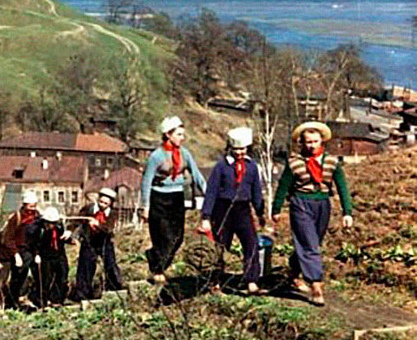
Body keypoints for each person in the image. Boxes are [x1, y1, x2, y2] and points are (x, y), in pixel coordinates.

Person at [271, 121, 353, 307]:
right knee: (310, 244)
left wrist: (347, 212)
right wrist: (276, 209)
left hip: (323, 204)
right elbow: (284, 186)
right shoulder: (294, 162)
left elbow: (342, 187)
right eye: (308, 142)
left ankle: (293, 274)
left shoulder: (332, 162)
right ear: (302, 143)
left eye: (315, 141)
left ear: (322, 141)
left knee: (312, 242)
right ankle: (316, 284)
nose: (311, 145)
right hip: (300, 203)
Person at [200, 127, 266, 295]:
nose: (240, 152)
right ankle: (215, 281)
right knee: (221, 245)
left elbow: (256, 191)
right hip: (223, 209)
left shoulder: (251, 168)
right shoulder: (221, 167)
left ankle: (252, 281)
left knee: (251, 243)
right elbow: (211, 191)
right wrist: (206, 216)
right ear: (230, 148)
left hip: (243, 209)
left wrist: (260, 212)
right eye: (236, 149)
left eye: (243, 149)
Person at [141, 116, 207, 284]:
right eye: (178, 134)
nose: (182, 138)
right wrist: (146, 206)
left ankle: (155, 259)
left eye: (182, 134)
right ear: (168, 135)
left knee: (178, 238)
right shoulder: (156, 156)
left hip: (177, 198)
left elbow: (197, 176)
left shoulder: (185, 154)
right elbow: (146, 181)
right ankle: (158, 270)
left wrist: (208, 194)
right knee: (163, 236)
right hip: (159, 198)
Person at [0, 189, 40, 309]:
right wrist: (15, 254)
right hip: (8, 253)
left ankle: (15, 300)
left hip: (25, 251)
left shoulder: (37, 218)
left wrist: (36, 253)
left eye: (35, 206)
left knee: (22, 276)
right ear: (25, 204)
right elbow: (8, 240)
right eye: (31, 206)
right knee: (0, 280)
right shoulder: (16, 218)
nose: (33, 208)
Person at [73, 188, 124, 300]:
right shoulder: (88, 209)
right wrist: (72, 232)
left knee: (110, 264)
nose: (103, 205)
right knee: (85, 267)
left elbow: (108, 228)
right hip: (89, 241)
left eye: (106, 203)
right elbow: (77, 221)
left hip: (105, 242)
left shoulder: (112, 214)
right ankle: (82, 293)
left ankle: (114, 288)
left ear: (110, 203)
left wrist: (98, 224)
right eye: (101, 202)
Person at [27, 206, 70, 307]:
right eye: (50, 223)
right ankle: (42, 301)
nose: (51, 225)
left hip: (59, 254)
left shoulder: (59, 227)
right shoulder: (37, 229)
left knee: (62, 275)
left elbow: (62, 238)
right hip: (45, 256)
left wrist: (68, 236)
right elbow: (33, 244)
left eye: (54, 223)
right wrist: (36, 255)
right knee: (45, 279)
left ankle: (57, 299)